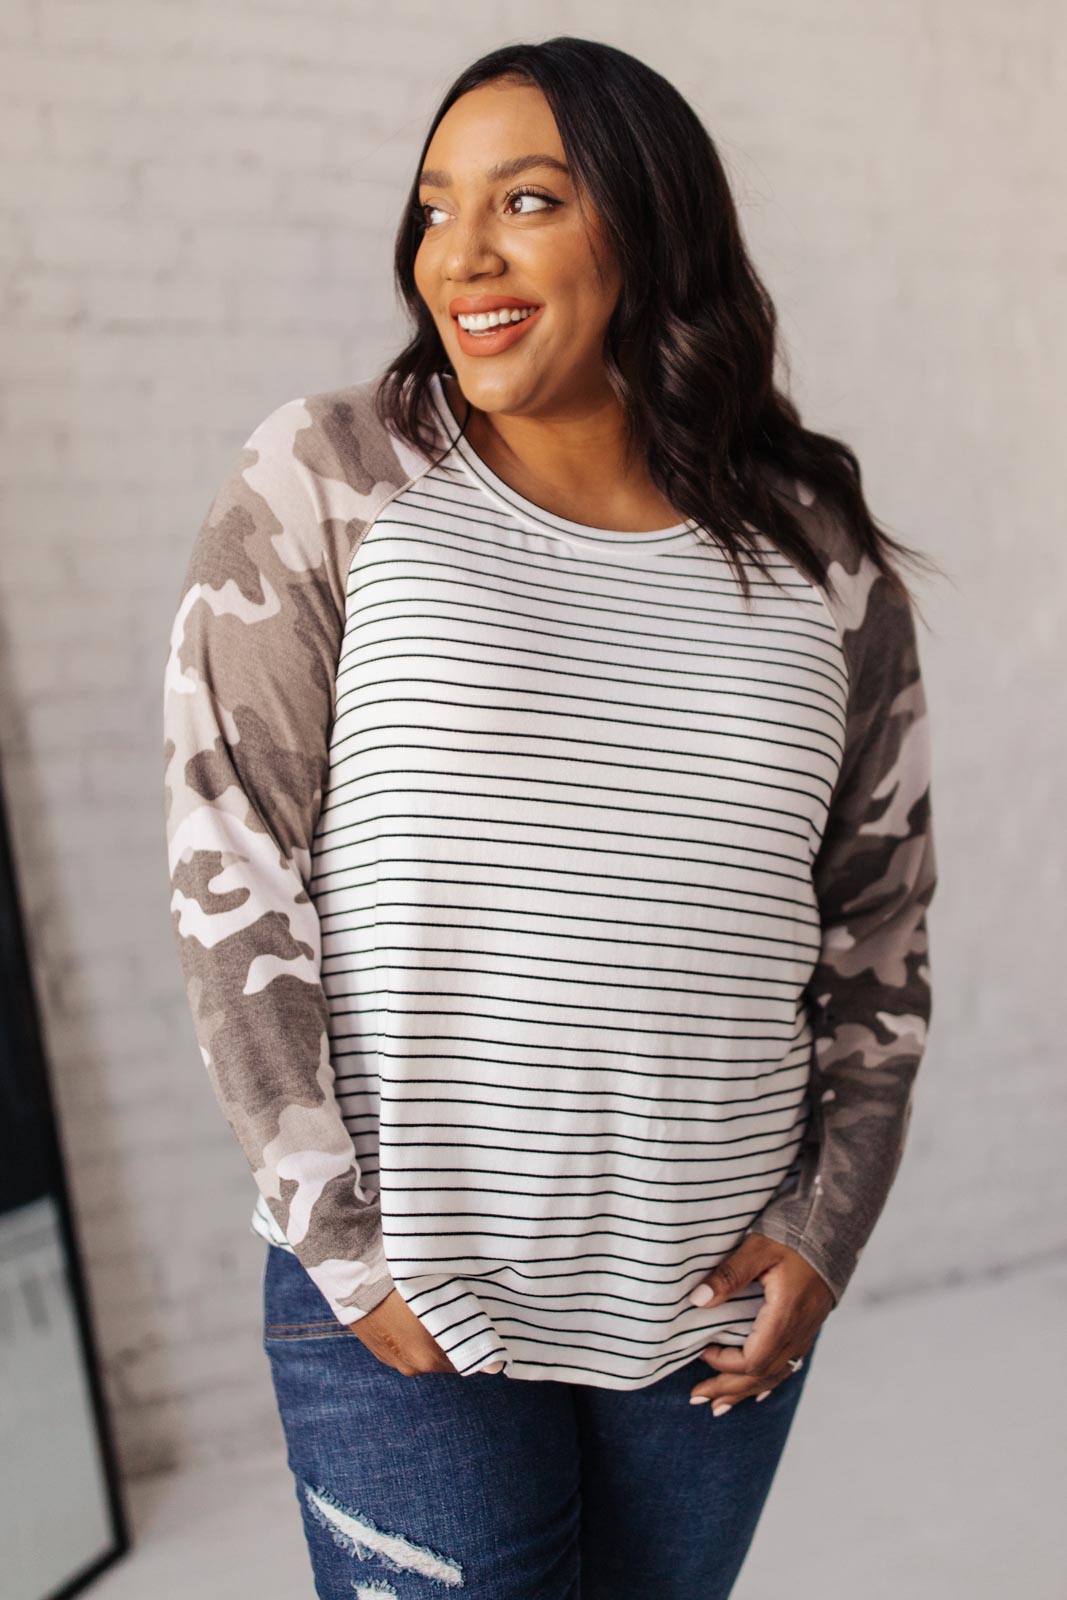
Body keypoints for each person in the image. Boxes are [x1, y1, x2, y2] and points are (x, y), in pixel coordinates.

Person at [162, 35, 939, 1600]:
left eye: (527, 200)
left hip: (711, 1303)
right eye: (436, 206)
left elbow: (878, 926)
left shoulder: (822, 555)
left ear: (650, 226)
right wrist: (334, 1237)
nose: (461, 253)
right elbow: (229, 855)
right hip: (409, 1297)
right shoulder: (334, 475)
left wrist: (825, 1227)